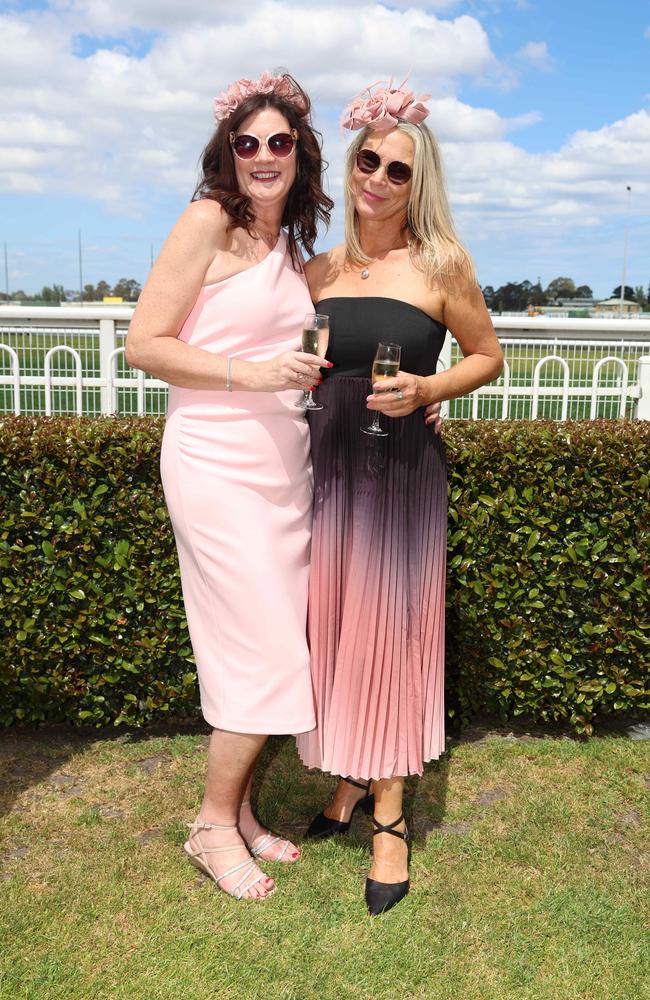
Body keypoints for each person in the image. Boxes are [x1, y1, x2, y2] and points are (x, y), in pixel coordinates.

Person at [296, 79, 503, 915]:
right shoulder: (318, 266)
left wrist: (428, 386)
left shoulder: (443, 265)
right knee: (335, 627)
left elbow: (488, 356)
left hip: (401, 474)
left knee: (387, 631)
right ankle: (348, 777)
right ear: (352, 167)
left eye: (398, 169)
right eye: (368, 160)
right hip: (326, 470)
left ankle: (388, 816)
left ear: (421, 184)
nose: (378, 177)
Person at [125, 71, 333, 901]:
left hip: (285, 466)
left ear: (299, 154)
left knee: (263, 641)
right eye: (247, 143)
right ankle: (212, 827)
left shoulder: (292, 246)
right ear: (227, 154)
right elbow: (144, 344)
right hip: (215, 463)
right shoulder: (206, 221)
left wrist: (422, 397)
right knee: (266, 647)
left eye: (278, 141)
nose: (262, 155)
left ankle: (242, 812)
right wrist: (248, 373)